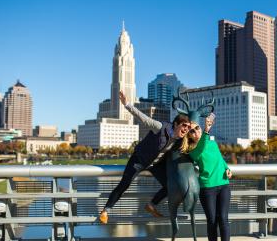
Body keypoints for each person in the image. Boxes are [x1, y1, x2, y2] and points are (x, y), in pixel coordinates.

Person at [99, 90, 191, 224]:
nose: (186, 130)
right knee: (124, 184)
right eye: (184, 126)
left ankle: (151, 205)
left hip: (155, 164)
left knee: (170, 185)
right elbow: (143, 117)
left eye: (188, 128)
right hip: (139, 159)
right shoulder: (160, 127)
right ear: (176, 124)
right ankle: (105, 210)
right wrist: (127, 104)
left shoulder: (180, 139)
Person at [185, 113, 232, 241]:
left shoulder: (212, 143)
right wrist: (206, 130)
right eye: (191, 131)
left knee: (223, 218)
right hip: (207, 189)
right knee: (212, 221)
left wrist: (227, 169)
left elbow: (220, 159)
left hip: (223, 185)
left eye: (197, 128)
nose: (195, 131)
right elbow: (201, 146)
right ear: (189, 136)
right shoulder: (193, 151)